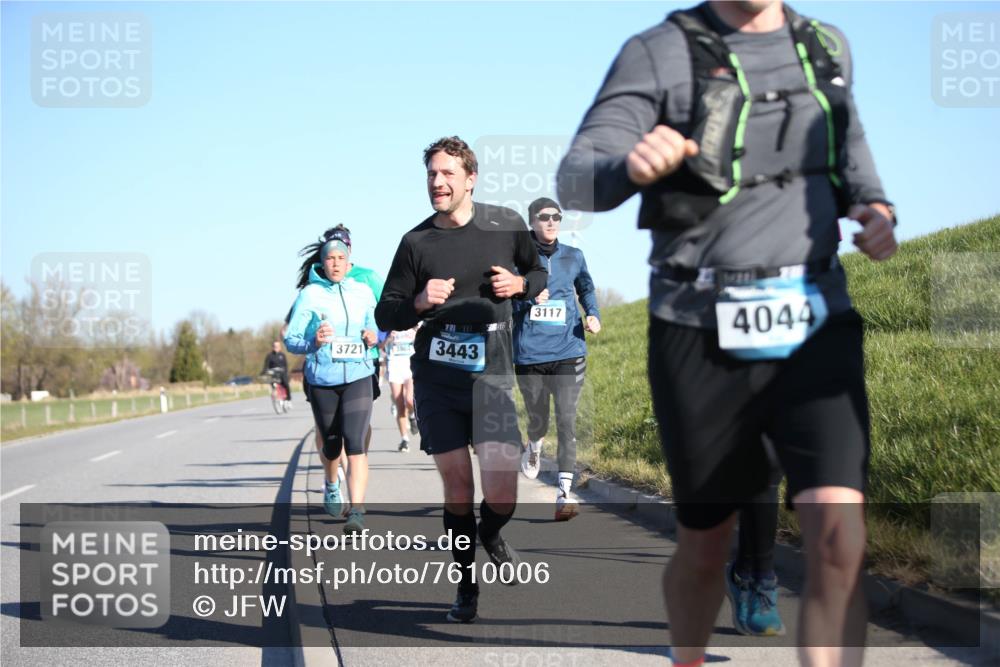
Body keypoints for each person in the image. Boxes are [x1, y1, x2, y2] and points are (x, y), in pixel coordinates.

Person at [557, 2, 897, 664]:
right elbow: (575, 177)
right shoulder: (658, 51)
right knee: (706, 544)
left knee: (839, 539)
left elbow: (849, 144)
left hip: (816, 315)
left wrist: (876, 207)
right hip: (698, 324)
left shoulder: (826, 47)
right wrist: (628, 167)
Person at [376, 136, 547, 623]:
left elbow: (538, 274)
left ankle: (490, 533)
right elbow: (386, 312)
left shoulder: (506, 224)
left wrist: (519, 286)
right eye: (432, 174)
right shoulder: (416, 243)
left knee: (501, 493)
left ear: (471, 178)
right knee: (456, 488)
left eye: (448, 173)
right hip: (438, 375)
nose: (437, 182)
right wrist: (418, 303)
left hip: (492, 371)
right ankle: (466, 587)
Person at [513, 197, 601, 522]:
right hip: (529, 352)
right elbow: (503, 300)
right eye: (544, 217)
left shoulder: (574, 256)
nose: (551, 222)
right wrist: (526, 297)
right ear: (532, 221)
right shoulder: (518, 259)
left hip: (569, 349)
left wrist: (592, 314)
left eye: (556, 217)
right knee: (539, 419)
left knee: (566, 419)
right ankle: (534, 444)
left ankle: (564, 494)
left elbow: (586, 289)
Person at [284, 231, 379, 534]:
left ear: (349, 262)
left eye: (341, 259)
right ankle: (330, 483)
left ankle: (357, 511)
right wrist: (313, 341)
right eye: (330, 259)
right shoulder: (310, 294)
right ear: (322, 264)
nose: (336, 264)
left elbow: (377, 324)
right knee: (332, 442)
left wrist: (374, 335)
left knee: (355, 441)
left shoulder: (363, 291)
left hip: (359, 373)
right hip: (323, 377)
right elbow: (291, 339)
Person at [385, 326, 419, 452]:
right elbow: (380, 345)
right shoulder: (390, 326)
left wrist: (417, 335)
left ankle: (412, 415)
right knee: (399, 404)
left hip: (410, 366)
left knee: (409, 399)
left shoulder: (415, 324)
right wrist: (389, 339)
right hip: (394, 366)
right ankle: (404, 439)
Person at [261, 341, 291, 406]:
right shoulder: (269, 356)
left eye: (277, 346)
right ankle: (275, 395)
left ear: (280, 347)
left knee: (286, 384)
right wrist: (263, 372)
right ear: (272, 347)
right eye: (274, 346)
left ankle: (288, 399)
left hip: (282, 373)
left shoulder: (282, 355)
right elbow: (266, 365)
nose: (276, 347)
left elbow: (285, 365)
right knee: (272, 384)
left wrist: (286, 372)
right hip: (273, 373)